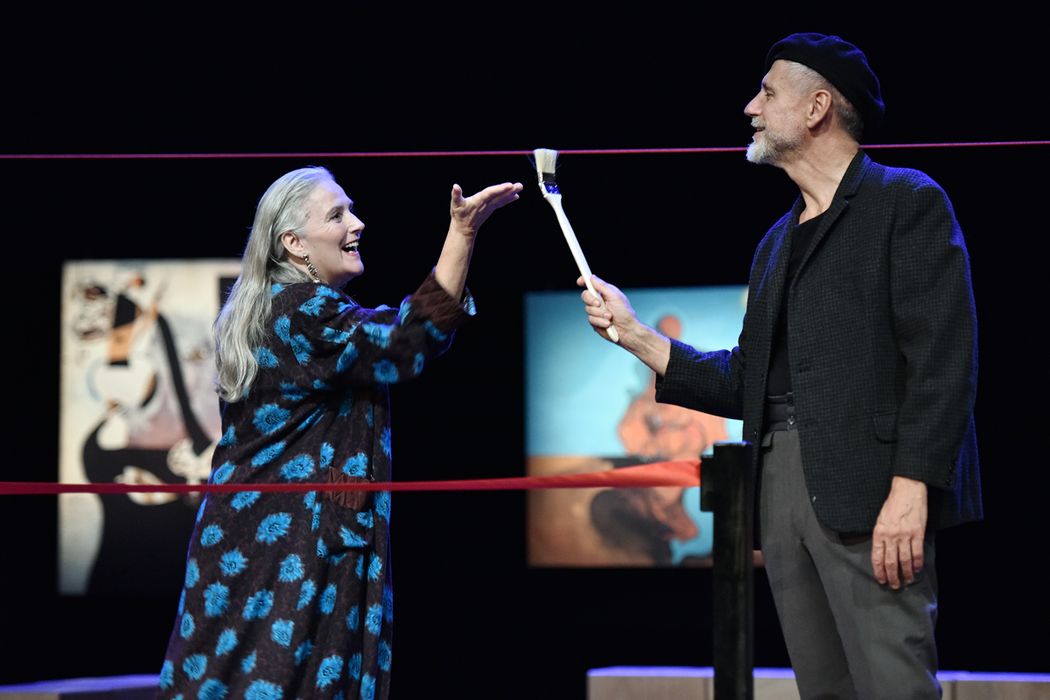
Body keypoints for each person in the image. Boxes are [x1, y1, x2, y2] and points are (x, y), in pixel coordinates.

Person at [580, 33, 980, 698]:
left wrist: (912, 487)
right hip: (783, 487)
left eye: (767, 93)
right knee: (823, 689)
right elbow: (748, 378)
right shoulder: (774, 243)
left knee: (894, 685)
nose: (750, 108)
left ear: (818, 106)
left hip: (871, 486)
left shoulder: (905, 201)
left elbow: (943, 361)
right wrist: (635, 336)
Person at [157, 166, 521, 699]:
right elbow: (406, 341)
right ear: (294, 243)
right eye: (336, 215)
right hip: (288, 550)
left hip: (254, 541)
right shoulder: (302, 310)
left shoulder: (276, 308)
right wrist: (461, 234)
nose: (357, 223)